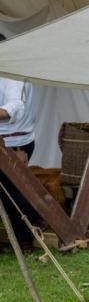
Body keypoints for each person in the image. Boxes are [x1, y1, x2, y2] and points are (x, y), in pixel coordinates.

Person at [0, 62, 38, 250]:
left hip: (16, 144)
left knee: (11, 193)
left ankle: (38, 215)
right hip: (6, 141)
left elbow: (12, 108)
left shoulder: (11, 73)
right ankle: (23, 239)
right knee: (8, 193)